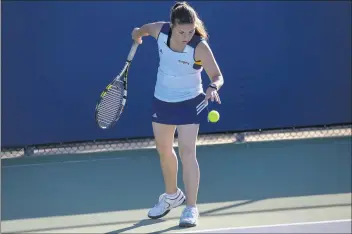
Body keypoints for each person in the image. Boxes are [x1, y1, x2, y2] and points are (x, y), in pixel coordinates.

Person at [131, 1, 224, 227]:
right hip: (162, 99)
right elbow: (141, 30)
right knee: (164, 151)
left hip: (191, 101)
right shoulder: (160, 30)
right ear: (172, 25)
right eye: (182, 31)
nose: (186, 36)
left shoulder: (199, 46)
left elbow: (217, 76)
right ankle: (172, 196)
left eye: (190, 31)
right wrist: (137, 34)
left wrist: (213, 88)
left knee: (187, 152)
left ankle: (191, 207)